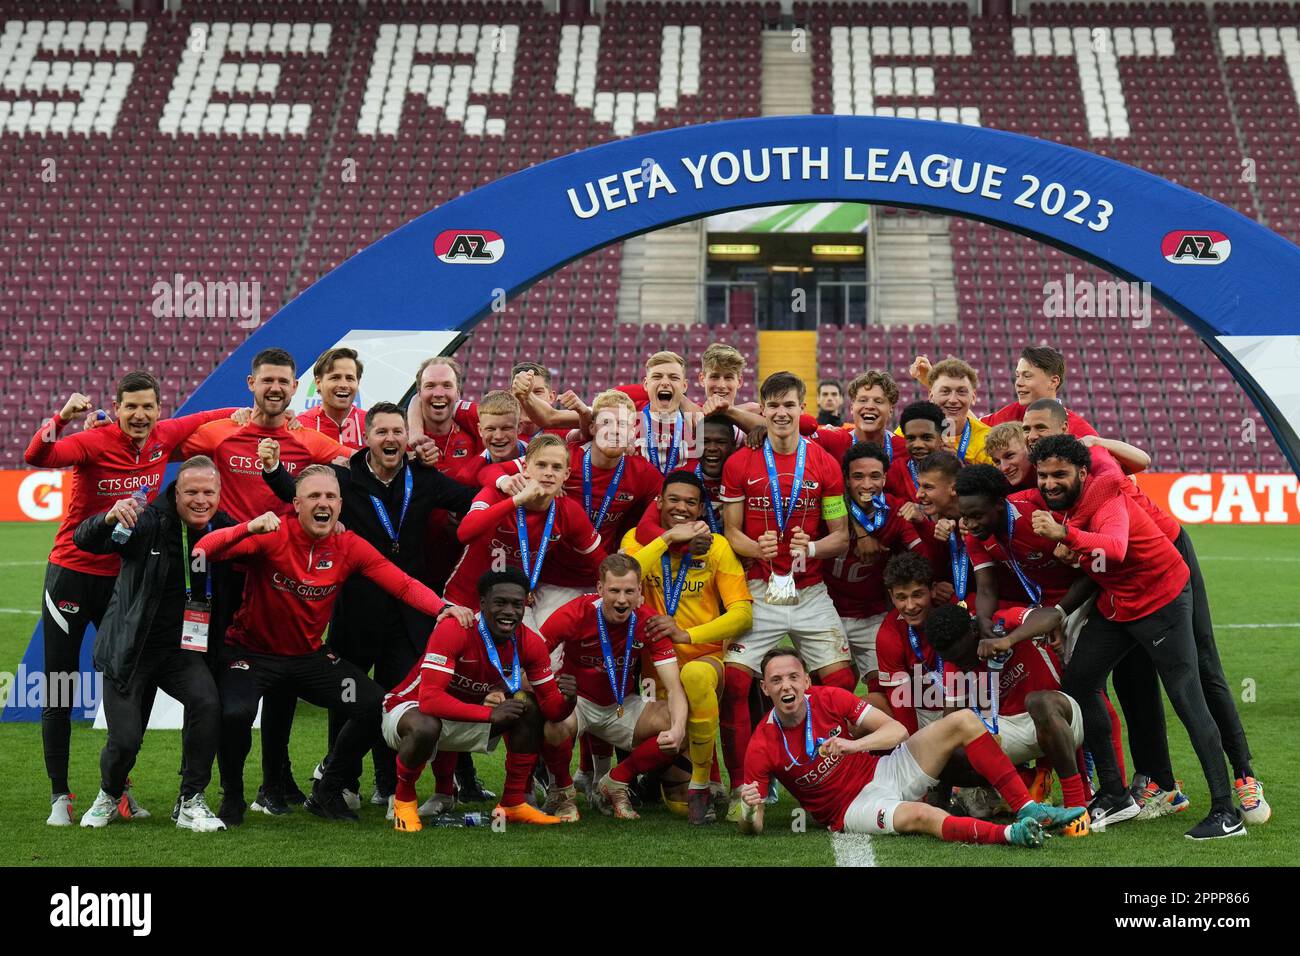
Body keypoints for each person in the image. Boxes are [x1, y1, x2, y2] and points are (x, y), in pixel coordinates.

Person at [1021, 402, 1269, 823]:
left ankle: (1228, 807)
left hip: (1162, 596)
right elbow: (1020, 495)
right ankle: (1120, 794)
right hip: (1119, 601)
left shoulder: (1104, 489)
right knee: (1082, 679)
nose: (1048, 483)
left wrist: (1066, 535)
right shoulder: (1056, 484)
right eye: (1043, 475)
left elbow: (1115, 545)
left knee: (1189, 692)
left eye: (1057, 475)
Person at [193, 465, 471, 825]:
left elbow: (402, 584)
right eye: (313, 496)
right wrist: (248, 526)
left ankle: (328, 789)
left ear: (340, 505)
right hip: (252, 655)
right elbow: (203, 549)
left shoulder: (349, 545)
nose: (322, 503)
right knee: (235, 714)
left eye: (329, 497)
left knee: (374, 705)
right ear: (296, 503)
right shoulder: (272, 534)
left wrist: (444, 609)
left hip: (309, 658)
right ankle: (232, 798)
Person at [24, 370, 244, 825]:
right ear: (118, 408)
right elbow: (38, 454)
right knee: (60, 685)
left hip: (124, 584)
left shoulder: (167, 436)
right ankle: (59, 795)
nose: (140, 415)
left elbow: (220, 415)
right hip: (72, 573)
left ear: (159, 409)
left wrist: (253, 415)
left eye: (148, 406)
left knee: (131, 681)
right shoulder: (94, 441)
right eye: (131, 407)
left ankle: (118, 792)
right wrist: (62, 417)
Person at [260, 401, 479, 815]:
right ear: (368, 437)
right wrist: (272, 470)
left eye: (398, 431)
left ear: (407, 437)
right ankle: (342, 783)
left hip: (407, 611)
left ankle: (387, 783)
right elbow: (298, 494)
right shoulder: (345, 478)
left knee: (395, 699)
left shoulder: (424, 478)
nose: (391, 439)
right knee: (348, 699)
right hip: (356, 608)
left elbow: (469, 497)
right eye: (382, 432)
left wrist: (503, 484)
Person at [181, 346, 354, 815]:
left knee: (281, 680)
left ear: (297, 388)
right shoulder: (222, 432)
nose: (276, 388)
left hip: (279, 578)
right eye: (267, 380)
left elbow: (356, 466)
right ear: (251, 384)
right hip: (221, 575)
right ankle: (196, 791)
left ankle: (274, 783)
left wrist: (337, 516)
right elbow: (164, 447)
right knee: (208, 683)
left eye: (284, 381)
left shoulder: (308, 442)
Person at [737, 648, 1083, 844]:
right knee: (922, 815)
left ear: (806, 681)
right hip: (852, 809)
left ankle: (1027, 808)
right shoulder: (761, 746)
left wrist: (853, 746)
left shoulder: (827, 697)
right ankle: (1011, 835)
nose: (787, 686)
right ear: (765, 688)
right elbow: (754, 827)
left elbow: (897, 731)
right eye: (777, 680)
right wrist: (750, 808)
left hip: (885, 770)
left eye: (794, 677)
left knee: (963, 719)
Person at [72, 457, 236, 832]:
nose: (200, 499)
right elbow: (85, 538)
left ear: (219, 494)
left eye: (208, 492)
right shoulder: (146, 521)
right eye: (191, 492)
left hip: (180, 651)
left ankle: (190, 800)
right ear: (175, 493)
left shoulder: (222, 526)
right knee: (125, 741)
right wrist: (109, 518)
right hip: (130, 650)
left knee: (207, 703)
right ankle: (110, 794)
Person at [718, 371, 853, 811]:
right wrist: (755, 547)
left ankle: (840, 775)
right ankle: (744, 787)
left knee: (841, 683)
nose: (781, 413)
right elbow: (731, 532)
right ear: (762, 408)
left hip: (809, 591)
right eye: (772, 405)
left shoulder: (824, 464)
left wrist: (811, 546)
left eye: (789, 405)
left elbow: (841, 537)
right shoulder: (740, 463)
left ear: (802, 408)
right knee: (735, 682)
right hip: (757, 590)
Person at [382, 568, 577, 831]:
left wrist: (568, 700)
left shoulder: (530, 642)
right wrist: (488, 715)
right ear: (482, 603)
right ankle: (404, 801)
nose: (509, 611)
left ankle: (513, 802)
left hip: (468, 714)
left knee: (528, 705)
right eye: (500, 603)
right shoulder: (454, 629)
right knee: (425, 724)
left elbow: (552, 710)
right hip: (409, 709)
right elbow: (429, 700)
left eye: (517, 604)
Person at [623, 470, 753, 823]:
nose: (681, 507)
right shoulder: (636, 540)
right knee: (674, 805)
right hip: (653, 679)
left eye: (691, 503)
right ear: (660, 502)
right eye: (674, 500)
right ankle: (618, 778)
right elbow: (623, 577)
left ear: (700, 509)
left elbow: (743, 614)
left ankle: (701, 781)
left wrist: (687, 635)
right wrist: (667, 539)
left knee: (695, 676)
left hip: (705, 662)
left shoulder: (717, 546)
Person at [539, 555, 689, 821]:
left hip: (621, 705)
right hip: (578, 703)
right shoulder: (574, 613)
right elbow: (534, 659)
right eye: (614, 591)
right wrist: (551, 691)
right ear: (599, 589)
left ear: (639, 592)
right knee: (554, 723)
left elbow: (674, 688)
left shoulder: (648, 622)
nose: (622, 600)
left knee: (676, 723)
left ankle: (615, 781)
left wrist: (677, 729)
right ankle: (562, 791)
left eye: (629, 591)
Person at [923, 604, 1090, 837]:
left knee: (1038, 702)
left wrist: (1008, 641)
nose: (964, 665)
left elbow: (1052, 615)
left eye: (963, 656)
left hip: (1057, 717)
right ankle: (1020, 787)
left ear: (973, 632)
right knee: (947, 749)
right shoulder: (955, 665)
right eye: (954, 661)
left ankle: (1076, 807)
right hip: (1008, 730)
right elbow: (950, 727)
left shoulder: (1003, 622)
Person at [445, 433, 603, 623]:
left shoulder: (568, 511)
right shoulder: (497, 493)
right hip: (464, 600)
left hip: (513, 607)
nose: (549, 473)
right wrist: (515, 501)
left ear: (566, 474)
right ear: (526, 468)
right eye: (542, 465)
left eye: (557, 467)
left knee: (538, 649)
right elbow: (464, 533)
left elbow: (600, 560)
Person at [826, 442, 925, 698]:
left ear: (885, 477)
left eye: (875, 476)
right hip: (828, 614)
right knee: (836, 685)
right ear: (845, 479)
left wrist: (923, 520)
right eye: (858, 476)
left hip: (873, 615)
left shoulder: (896, 511)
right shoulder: (828, 507)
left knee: (884, 690)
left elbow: (923, 555)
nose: (867, 484)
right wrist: (859, 532)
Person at [979, 345, 1099, 437]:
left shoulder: (1080, 429)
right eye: (1017, 376)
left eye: (1027, 376)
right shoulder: (1010, 413)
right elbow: (973, 428)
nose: (1018, 383)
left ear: (1053, 382)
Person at [902, 356, 993, 465]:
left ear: (973, 397)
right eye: (945, 391)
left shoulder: (988, 442)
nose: (953, 400)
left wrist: (960, 466)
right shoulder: (911, 429)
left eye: (961, 392)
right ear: (931, 396)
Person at [297, 347, 366, 450]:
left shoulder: (372, 424)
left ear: (358, 383)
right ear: (318, 382)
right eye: (335, 377)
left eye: (350, 378)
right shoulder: (301, 426)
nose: (343, 384)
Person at [884, 400, 946, 504]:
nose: (918, 445)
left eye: (926, 438)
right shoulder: (892, 474)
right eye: (911, 438)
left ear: (942, 439)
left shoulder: (958, 472)